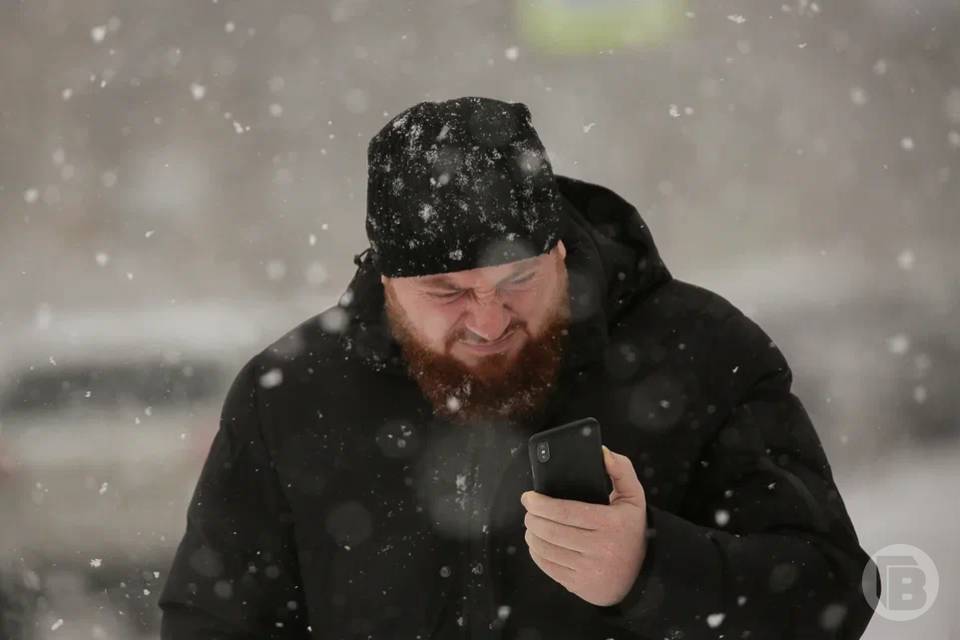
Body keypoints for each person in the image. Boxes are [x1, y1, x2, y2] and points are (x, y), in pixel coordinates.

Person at [159, 96, 880, 639]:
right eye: (446, 294)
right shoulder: (291, 396)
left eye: (517, 283)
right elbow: (211, 624)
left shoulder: (703, 353)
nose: (489, 320)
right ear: (386, 283)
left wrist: (653, 569)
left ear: (560, 254)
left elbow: (840, 595)